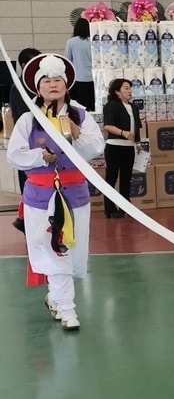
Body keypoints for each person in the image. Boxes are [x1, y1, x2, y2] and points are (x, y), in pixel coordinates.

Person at [7, 54, 104, 330]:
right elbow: (14, 156)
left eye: (57, 80)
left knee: (72, 250)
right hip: (41, 198)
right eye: (46, 80)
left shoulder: (81, 115)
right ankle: (68, 308)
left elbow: (96, 148)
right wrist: (41, 157)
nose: (53, 85)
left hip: (75, 195)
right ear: (38, 88)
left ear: (66, 85)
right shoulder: (28, 119)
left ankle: (56, 298)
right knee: (53, 250)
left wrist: (75, 131)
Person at [100, 77, 140, 219]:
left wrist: (138, 142)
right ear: (117, 92)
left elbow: (137, 127)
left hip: (129, 147)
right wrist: (123, 133)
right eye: (126, 88)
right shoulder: (111, 105)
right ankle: (109, 208)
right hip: (115, 146)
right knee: (111, 178)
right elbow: (108, 125)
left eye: (130, 88)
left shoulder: (133, 107)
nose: (129, 91)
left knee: (126, 178)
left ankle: (125, 206)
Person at [63, 18, 95, 111]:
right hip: (93, 78)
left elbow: (67, 60)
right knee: (93, 104)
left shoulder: (71, 42)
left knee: (80, 106)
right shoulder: (93, 41)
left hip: (78, 78)